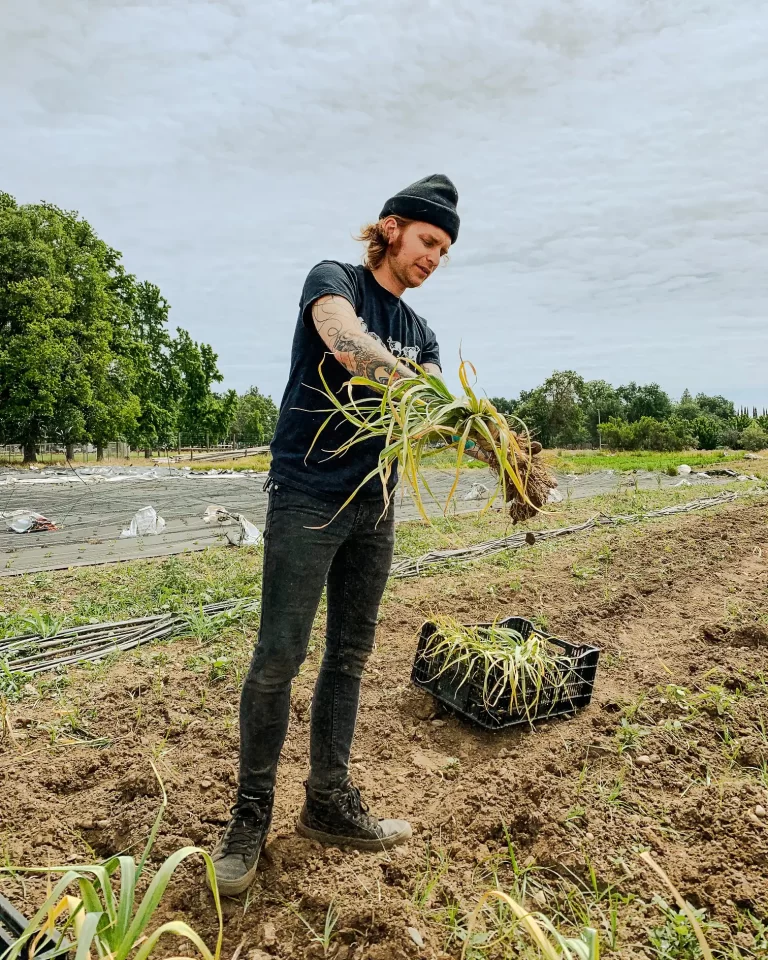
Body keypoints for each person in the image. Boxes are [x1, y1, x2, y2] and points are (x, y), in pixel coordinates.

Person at [212, 175, 460, 895]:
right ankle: (250, 815)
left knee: (348, 658)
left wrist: (480, 430)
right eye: (427, 241)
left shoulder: (423, 333)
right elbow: (346, 344)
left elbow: (436, 411)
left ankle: (328, 801)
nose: (434, 259)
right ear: (390, 228)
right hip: (308, 494)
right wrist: (423, 391)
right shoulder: (335, 280)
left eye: (444, 251)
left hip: (373, 504)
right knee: (278, 657)